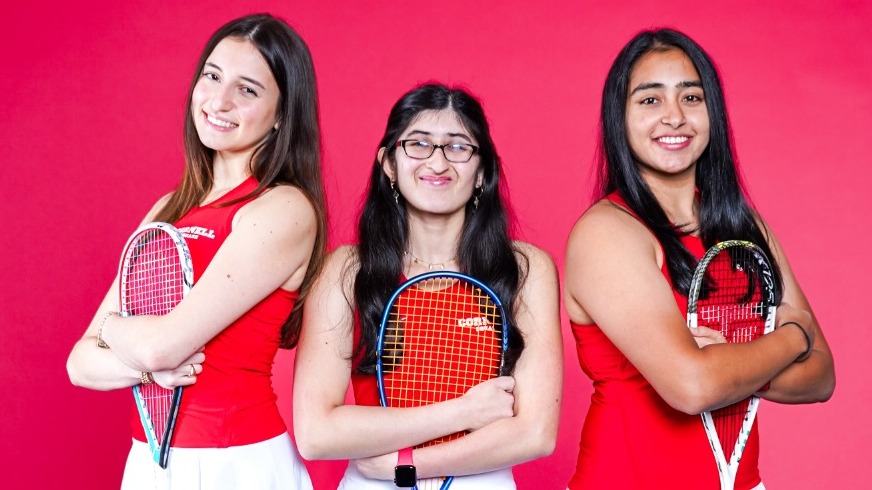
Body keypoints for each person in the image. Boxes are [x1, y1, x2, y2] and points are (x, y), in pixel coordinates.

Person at [563, 28, 835, 490]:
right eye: (650, 100)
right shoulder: (606, 232)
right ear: (619, 117)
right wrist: (792, 336)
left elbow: (822, 377)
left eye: (692, 97)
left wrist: (726, 367)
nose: (674, 117)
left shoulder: (746, 225)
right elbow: (692, 389)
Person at [66, 13, 325, 489]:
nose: (219, 101)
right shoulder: (170, 207)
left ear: (283, 114)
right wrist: (146, 361)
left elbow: (162, 345)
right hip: (149, 460)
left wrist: (122, 336)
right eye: (211, 76)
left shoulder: (284, 208)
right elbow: (80, 364)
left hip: (238, 462)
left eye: (247, 89)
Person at [293, 83, 562, 489]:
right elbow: (316, 433)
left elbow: (536, 432)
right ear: (388, 164)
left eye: (458, 147)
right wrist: (464, 413)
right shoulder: (346, 270)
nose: (437, 163)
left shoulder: (525, 268)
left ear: (483, 172)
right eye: (417, 144)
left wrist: (404, 464)